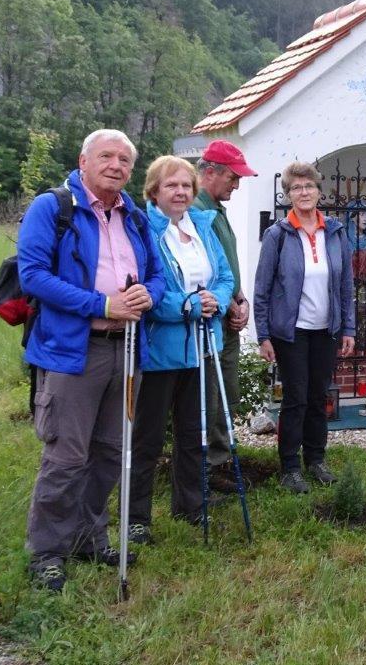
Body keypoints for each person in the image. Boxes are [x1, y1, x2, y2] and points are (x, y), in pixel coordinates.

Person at [17, 129, 165, 592]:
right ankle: (47, 552)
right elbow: (32, 275)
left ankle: (88, 537)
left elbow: (157, 275)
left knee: (110, 452)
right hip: (73, 349)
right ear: (83, 161)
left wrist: (147, 295)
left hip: (127, 348)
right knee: (67, 456)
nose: (116, 165)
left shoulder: (134, 216)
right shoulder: (52, 208)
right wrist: (102, 305)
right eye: (106, 156)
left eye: (125, 159)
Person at [127, 157, 234, 542]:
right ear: (154, 190)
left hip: (203, 347)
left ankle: (190, 505)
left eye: (186, 186)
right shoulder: (144, 229)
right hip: (161, 350)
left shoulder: (202, 226)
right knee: (148, 437)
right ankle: (136, 517)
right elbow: (145, 289)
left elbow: (225, 276)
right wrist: (187, 305)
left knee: (193, 431)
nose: (180, 192)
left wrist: (216, 300)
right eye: (171, 185)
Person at [254, 162, 355, 493]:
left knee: (318, 397)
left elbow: (346, 285)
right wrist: (263, 334)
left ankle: (316, 460)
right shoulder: (278, 235)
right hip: (292, 332)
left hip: (326, 331)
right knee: (295, 398)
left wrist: (348, 328)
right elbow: (262, 288)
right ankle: (290, 467)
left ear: (319, 191)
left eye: (309, 186)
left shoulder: (336, 233)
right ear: (288, 195)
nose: (304, 192)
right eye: (296, 188)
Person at [191, 140, 257, 493]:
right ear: (210, 172)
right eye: (233, 177)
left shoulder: (217, 208)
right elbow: (200, 268)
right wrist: (229, 303)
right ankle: (201, 469)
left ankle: (218, 462)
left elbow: (226, 264)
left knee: (225, 392)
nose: (237, 185)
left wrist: (241, 299)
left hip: (228, 315)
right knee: (207, 396)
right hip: (208, 318)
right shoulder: (193, 210)